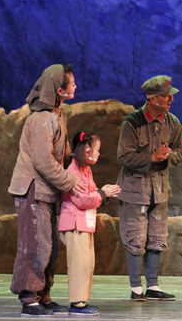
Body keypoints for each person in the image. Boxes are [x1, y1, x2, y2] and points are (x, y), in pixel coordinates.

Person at [9, 64, 86, 317]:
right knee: (36, 246)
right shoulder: (42, 118)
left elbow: (61, 155)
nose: (75, 86)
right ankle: (29, 299)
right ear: (59, 89)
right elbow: (43, 162)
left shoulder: (58, 115)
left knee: (50, 247)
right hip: (33, 189)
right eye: (71, 83)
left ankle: (43, 295)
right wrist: (70, 181)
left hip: (47, 191)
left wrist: (80, 159)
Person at [117, 75, 182, 302]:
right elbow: (124, 156)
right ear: (152, 98)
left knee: (157, 238)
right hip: (135, 191)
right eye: (166, 96)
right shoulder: (132, 122)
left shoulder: (172, 122)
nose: (171, 99)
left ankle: (153, 286)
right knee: (135, 238)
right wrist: (152, 157)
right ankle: (136, 288)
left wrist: (168, 157)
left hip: (160, 190)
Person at [59, 130, 121, 315]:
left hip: (84, 224)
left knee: (87, 264)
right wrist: (103, 193)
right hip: (75, 225)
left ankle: (81, 301)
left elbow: (90, 194)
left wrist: (102, 193)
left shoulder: (85, 169)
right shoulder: (74, 171)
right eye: (97, 150)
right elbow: (82, 200)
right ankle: (76, 303)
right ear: (87, 151)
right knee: (79, 264)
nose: (99, 154)